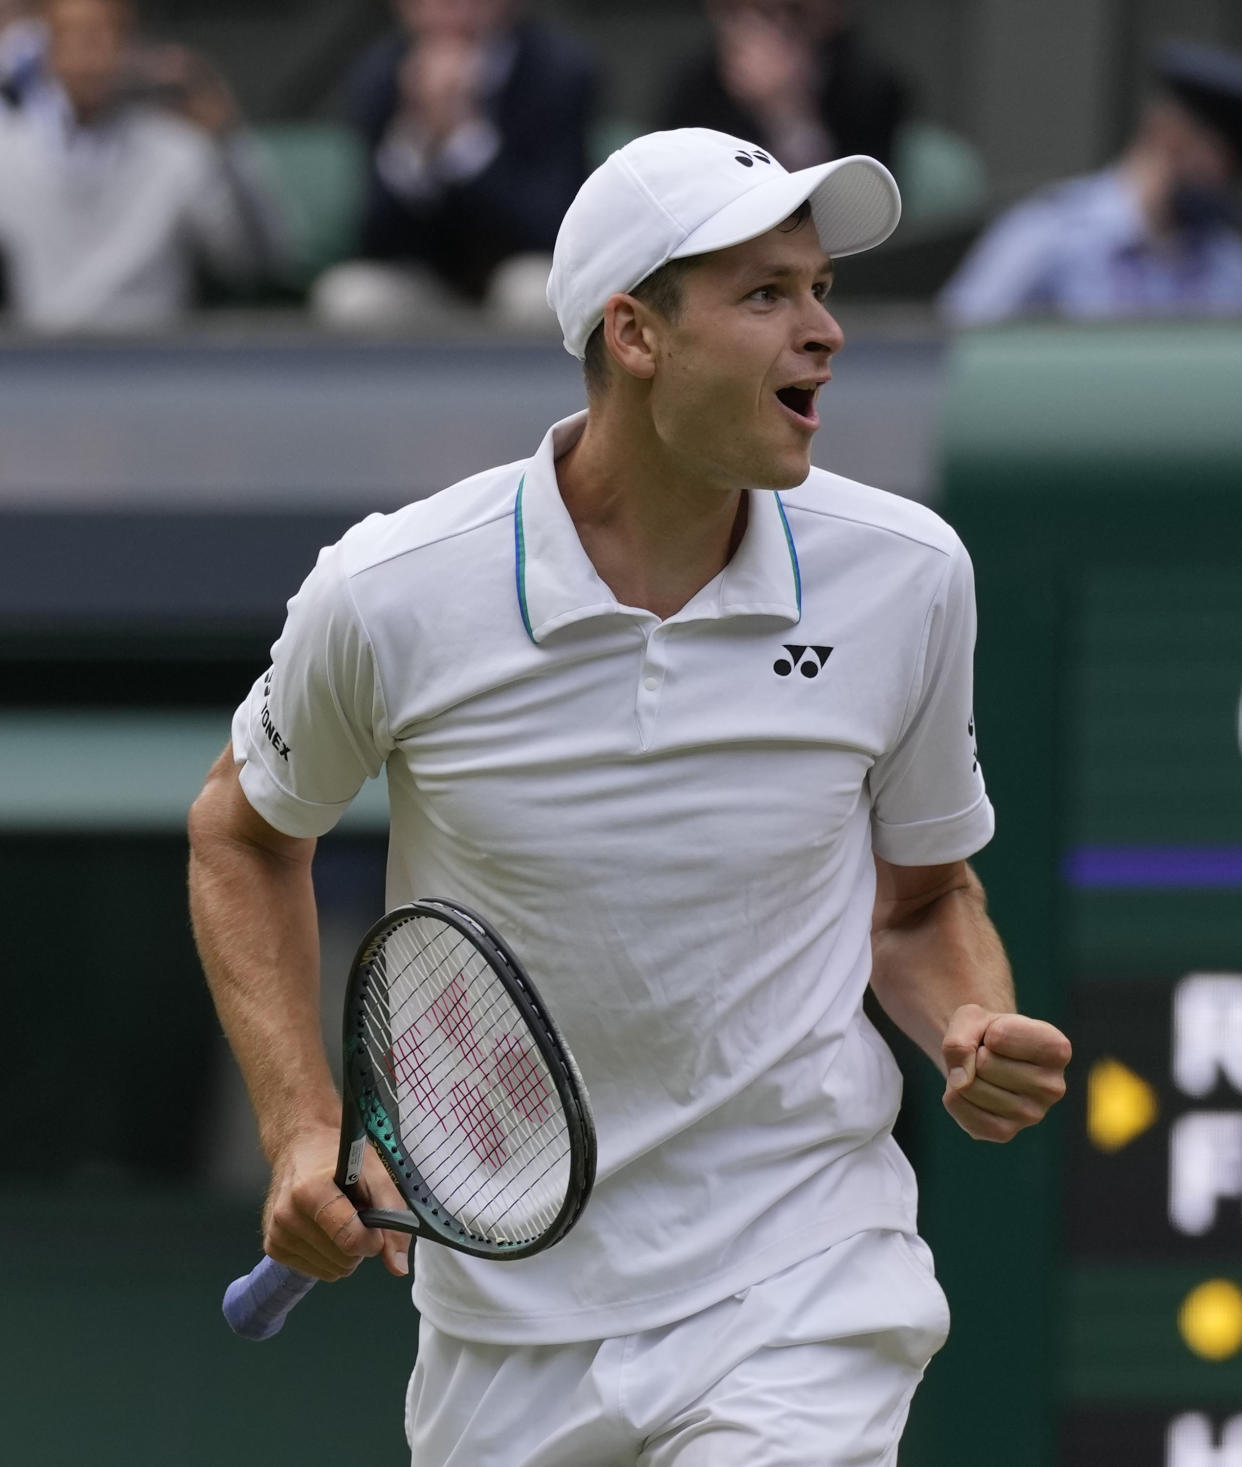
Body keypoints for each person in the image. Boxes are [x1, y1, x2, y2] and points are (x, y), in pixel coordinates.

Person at [188, 127, 1072, 1466]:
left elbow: (923, 896)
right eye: (766, 294)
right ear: (635, 335)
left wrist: (966, 1015)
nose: (823, 331)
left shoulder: (906, 577)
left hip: (801, 1270)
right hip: (504, 1326)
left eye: (820, 288)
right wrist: (303, 1122)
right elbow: (242, 834)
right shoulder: (393, 589)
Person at [0, 0, 288, 330]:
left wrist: (226, 142)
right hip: (41, 366)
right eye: (79, 38)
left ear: (133, 49)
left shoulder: (180, 152)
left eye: (112, 37)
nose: (96, 57)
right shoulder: (6, 154)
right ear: (47, 51)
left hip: (156, 363)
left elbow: (252, 262)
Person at [314, 0, 597, 325]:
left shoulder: (558, 70)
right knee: (351, 295)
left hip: (519, 269)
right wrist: (417, 140)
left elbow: (554, 230)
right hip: (427, 278)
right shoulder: (378, 75)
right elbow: (372, 239)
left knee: (533, 293)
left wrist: (461, 140)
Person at [940, 39, 1242, 325]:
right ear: (1170, 133)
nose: (1225, 177)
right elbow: (955, 346)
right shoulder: (1050, 235)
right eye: (1221, 155)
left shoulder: (1226, 263)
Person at [658, 0, 907, 172]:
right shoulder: (695, 84)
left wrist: (784, 113)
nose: (765, 28)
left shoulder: (868, 83)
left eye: (791, 12)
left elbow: (855, 205)